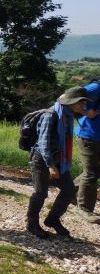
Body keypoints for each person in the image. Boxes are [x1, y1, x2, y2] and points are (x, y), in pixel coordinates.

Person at [26, 87, 91, 238]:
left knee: (69, 190)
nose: (83, 106)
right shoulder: (51, 116)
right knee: (40, 193)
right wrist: (51, 166)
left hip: (59, 159)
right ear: (72, 102)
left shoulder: (67, 115)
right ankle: (32, 223)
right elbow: (43, 144)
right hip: (42, 159)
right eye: (81, 103)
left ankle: (52, 219)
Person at [73, 80, 100, 224]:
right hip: (88, 136)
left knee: (94, 171)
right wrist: (85, 112)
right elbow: (65, 98)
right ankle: (83, 208)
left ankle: (71, 191)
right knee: (91, 173)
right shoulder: (95, 88)